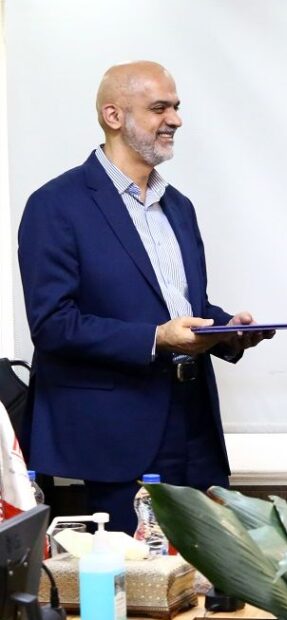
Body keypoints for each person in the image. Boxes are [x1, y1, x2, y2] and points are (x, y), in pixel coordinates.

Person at [17, 61, 271, 532]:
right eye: (159, 108)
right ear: (114, 116)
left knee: (207, 571)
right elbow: (53, 325)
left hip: (196, 428)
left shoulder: (179, 207)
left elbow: (184, 308)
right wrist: (156, 338)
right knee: (135, 574)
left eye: (176, 107)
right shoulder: (55, 206)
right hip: (117, 438)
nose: (175, 119)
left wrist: (227, 330)